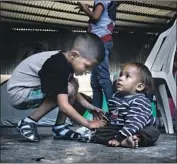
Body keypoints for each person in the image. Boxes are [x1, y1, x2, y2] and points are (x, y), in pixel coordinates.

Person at [7, 32, 107, 142]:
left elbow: (70, 89)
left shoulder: (65, 61)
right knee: (68, 89)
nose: (87, 71)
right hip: (20, 94)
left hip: (30, 91)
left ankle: (60, 128)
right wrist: (88, 123)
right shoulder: (59, 64)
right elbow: (64, 104)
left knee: (73, 84)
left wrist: (89, 106)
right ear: (74, 55)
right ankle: (28, 122)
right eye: (87, 66)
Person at [80, 62, 160, 148]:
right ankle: (125, 141)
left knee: (153, 132)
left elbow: (135, 122)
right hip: (119, 128)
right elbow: (114, 116)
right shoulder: (115, 98)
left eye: (127, 76)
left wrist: (119, 138)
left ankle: (136, 138)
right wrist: (104, 117)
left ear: (139, 87)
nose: (120, 78)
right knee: (100, 132)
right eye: (120, 75)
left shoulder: (140, 101)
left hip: (139, 128)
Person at [77, 1, 119, 108]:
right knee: (95, 82)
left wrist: (85, 9)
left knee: (103, 78)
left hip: (101, 42)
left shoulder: (102, 1)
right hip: (98, 43)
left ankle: (114, 113)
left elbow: (96, 17)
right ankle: (98, 114)